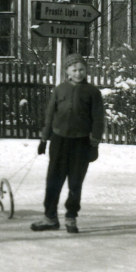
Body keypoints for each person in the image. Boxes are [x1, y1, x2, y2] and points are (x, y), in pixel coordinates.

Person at [32, 59, 105, 234]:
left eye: (81, 69)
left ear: (86, 71)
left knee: (75, 182)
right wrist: (44, 139)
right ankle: (50, 217)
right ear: (67, 71)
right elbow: (50, 116)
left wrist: (94, 144)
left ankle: (71, 217)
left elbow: (98, 119)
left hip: (81, 142)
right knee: (53, 181)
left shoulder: (92, 92)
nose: (78, 73)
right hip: (59, 141)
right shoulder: (59, 90)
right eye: (74, 70)